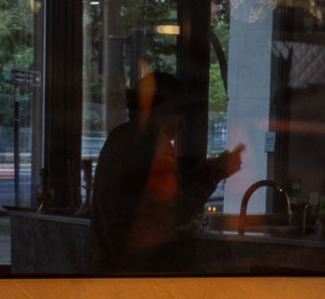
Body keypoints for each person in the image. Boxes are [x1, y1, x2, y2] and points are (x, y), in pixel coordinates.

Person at [87, 71, 243, 271]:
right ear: (164, 109)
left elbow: (152, 198)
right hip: (138, 273)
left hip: (108, 267)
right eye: (179, 113)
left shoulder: (120, 137)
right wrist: (214, 174)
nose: (181, 122)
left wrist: (205, 171)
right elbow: (175, 210)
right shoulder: (152, 144)